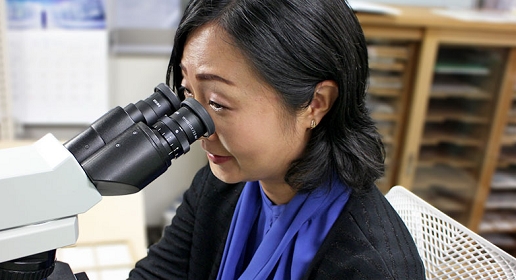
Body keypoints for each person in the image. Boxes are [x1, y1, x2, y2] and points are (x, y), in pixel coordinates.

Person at [128, 0, 425, 279]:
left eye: (217, 102)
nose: (199, 128)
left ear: (316, 103)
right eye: (188, 92)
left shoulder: (374, 267)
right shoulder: (218, 187)